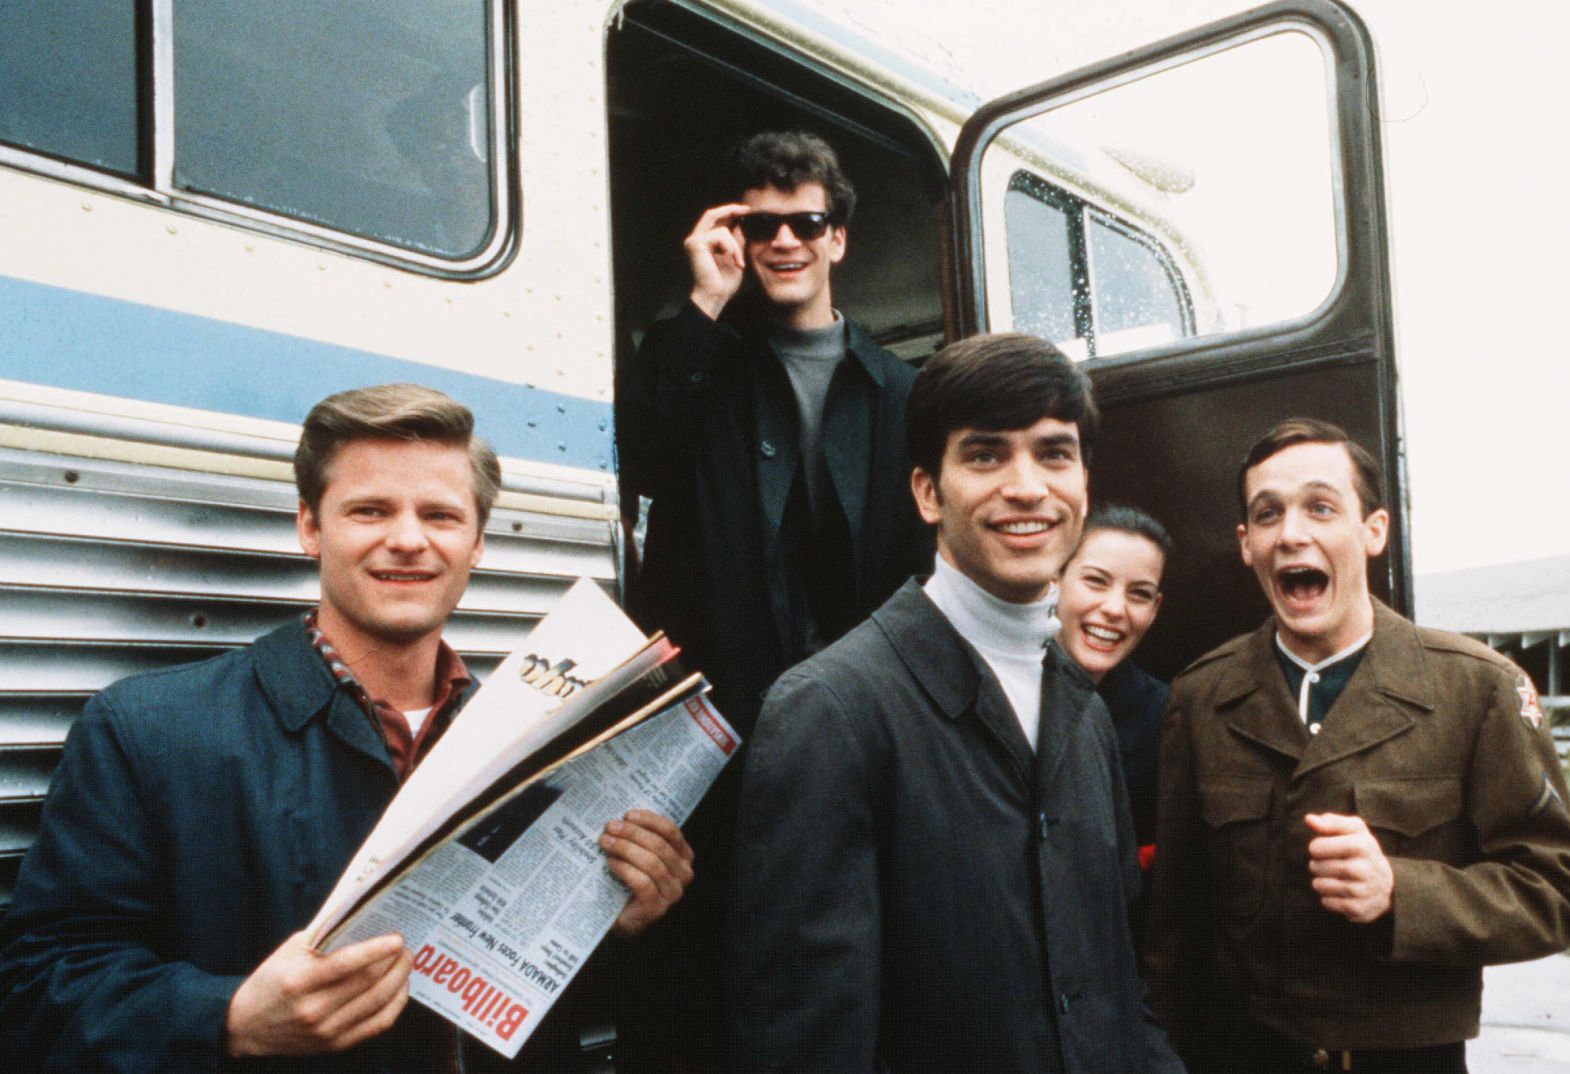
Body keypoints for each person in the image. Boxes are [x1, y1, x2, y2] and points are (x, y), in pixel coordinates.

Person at [0, 384, 693, 1073]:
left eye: (441, 515)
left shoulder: (539, 743)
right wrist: (230, 1016)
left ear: (477, 542)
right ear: (310, 526)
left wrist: (610, 921)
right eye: (370, 510)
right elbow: (37, 991)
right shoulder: (146, 731)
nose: (409, 541)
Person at [730, 333, 1183, 1074]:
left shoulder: (1084, 709)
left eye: (1054, 453)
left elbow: (1115, 983)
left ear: (1083, 483)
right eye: (985, 455)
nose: (1028, 487)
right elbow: (811, 1042)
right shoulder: (832, 710)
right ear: (927, 493)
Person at [613, 130, 930, 1070]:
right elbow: (641, 455)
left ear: (839, 239)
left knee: (846, 961)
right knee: (711, 972)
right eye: (761, 225)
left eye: (807, 222)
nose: (785, 240)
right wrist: (705, 301)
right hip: (714, 738)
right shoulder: (702, 363)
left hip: (855, 732)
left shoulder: (904, 392)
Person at [1144, 417, 1570, 1074]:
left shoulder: (1477, 689)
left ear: (1373, 530)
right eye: (1268, 514)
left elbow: (1554, 894)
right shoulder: (1201, 698)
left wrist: (1399, 893)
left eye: (1321, 508)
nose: (1291, 533)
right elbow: (1173, 928)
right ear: (1246, 544)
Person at [1056, 503, 1174, 934]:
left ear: (1155, 609)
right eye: (1095, 581)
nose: (1114, 608)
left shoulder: (1164, 717)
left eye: (1138, 594)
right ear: (1055, 579)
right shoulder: (996, 688)